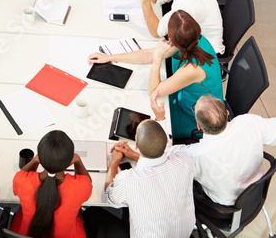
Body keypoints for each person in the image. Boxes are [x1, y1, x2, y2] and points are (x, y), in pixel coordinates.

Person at [90, 10, 223, 142]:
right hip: (184, 98)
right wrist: (109, 57)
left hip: (196, 117)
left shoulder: (193, 69)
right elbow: (148, 55)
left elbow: (153, 92)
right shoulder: (191, 38)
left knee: (147, 130)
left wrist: (158, 58)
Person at [83, 120, 196, 238]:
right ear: (165, 143)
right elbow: (161, 164)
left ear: (136, 144)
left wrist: (114, 163)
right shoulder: (185, 161)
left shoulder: (130, 179)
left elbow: (109, 197)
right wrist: (136, 156)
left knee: (91, 214)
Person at [180, 96, 276, 206]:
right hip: (255, 191)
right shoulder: (249, 122)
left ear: (199, 126)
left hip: (224, 203)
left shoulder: (195, 155)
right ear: (227, 112)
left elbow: (167, 157)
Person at [10, 131, 92, 238]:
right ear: (69, 161)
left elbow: (22, 174)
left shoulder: (21, 181)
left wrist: (35, 160)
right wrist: (77, 160)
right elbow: (87, 182)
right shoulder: (80, 187)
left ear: (40, 157)